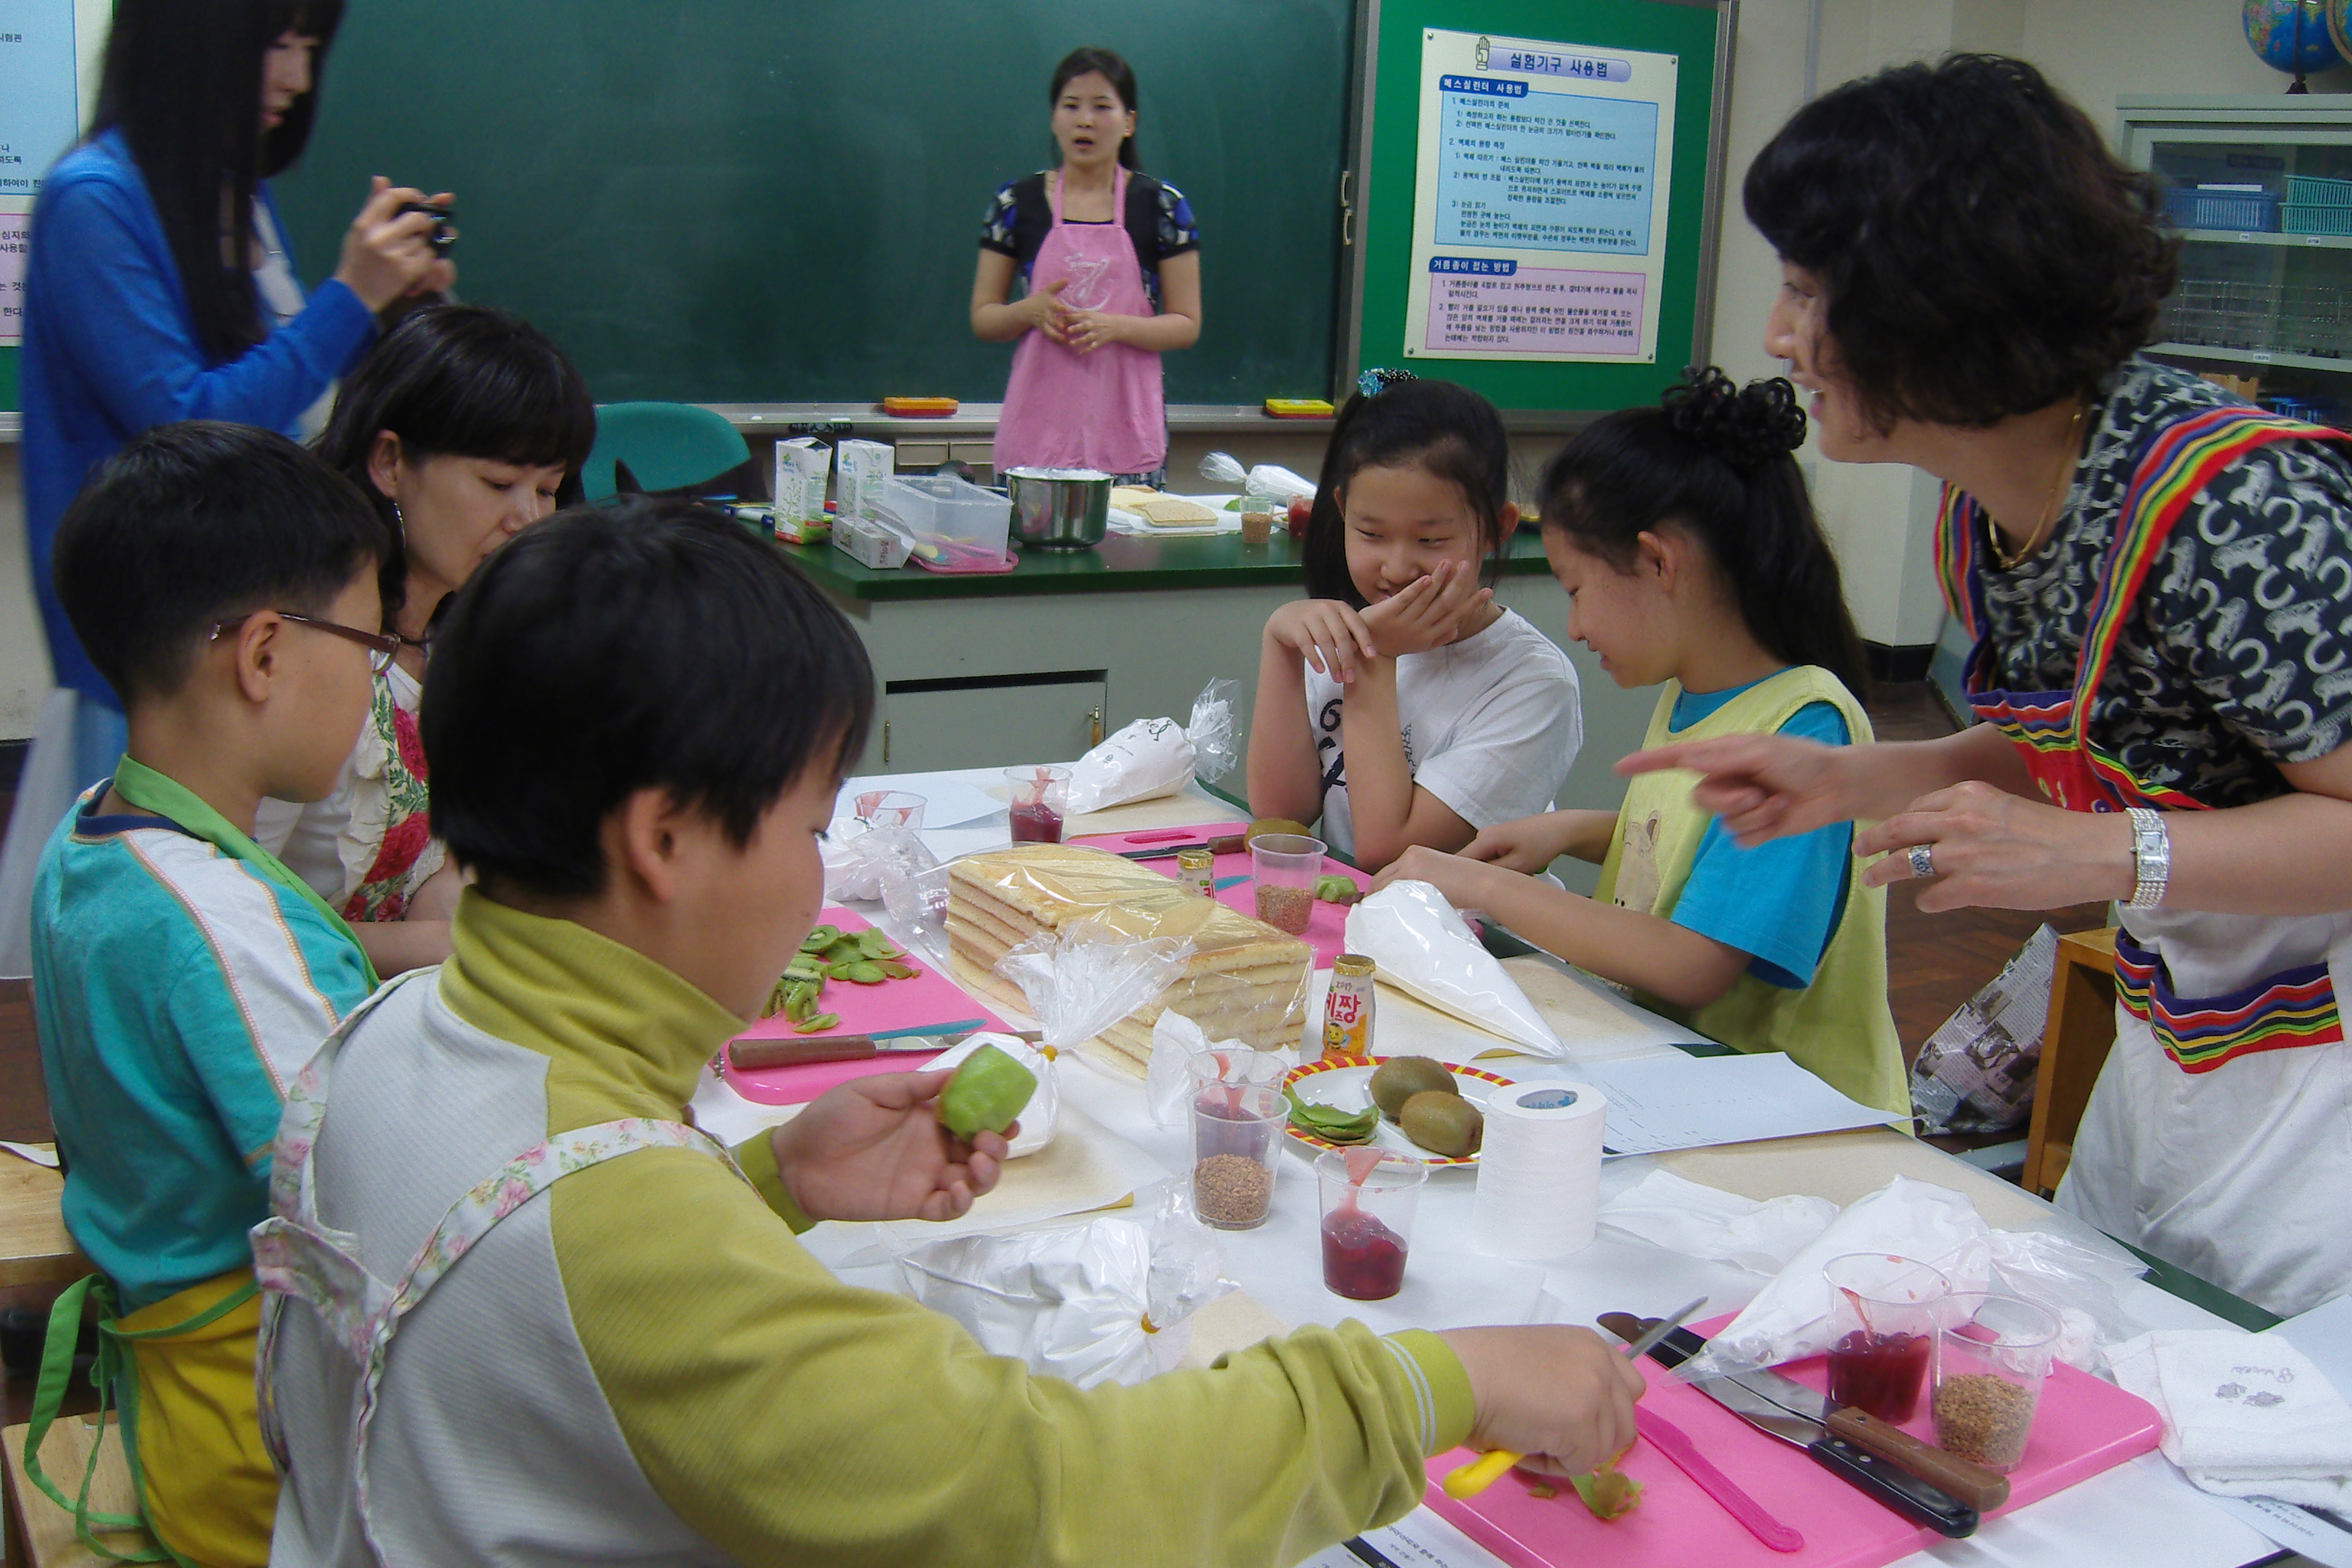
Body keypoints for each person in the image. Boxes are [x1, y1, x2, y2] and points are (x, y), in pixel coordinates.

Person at [256, 499, 1646, 1565]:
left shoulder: (395, 1032)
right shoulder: (620, 1230)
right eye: (809, 831)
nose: (815, 882)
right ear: (664, 837)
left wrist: (763, 1183)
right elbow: (1038, 1493)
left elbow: (536, 1317)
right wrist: (1430, 1381)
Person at [1629, 55, 2352, 1317]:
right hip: (2187, 1039)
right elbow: (2081, 749)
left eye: (1804, 289)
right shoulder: (1986, 522)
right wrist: (1852, 778)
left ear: (1930, 298)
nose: (1773, 334)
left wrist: (2104, 857)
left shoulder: (2232, 509)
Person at [0, 0, 450, 979]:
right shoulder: (96, 200)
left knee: (236, 912)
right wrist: (349, 299)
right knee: (160, 932)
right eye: (275, 46)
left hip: (248, 615)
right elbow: (187, 423)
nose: (295, 81)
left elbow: (279, 392)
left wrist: (378, 319)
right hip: (160, 634)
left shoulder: (219, 195)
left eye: (308, 50)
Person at [24, 422, 394, 1566]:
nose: (377, 681)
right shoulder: (221, 930)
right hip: (265, 1461)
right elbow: (378, 1212)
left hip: (190, 1394)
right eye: (372, 648)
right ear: (268, 655)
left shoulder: (91, 838)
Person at [1368, 369, 1907, 1116]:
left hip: (1798, 1124)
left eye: (1576, 588)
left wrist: (1487, 888)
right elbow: (1700, 845)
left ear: (1658, 561)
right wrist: (1580, 831)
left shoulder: (1807, 727)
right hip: (1682, 1088)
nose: (1577, 627)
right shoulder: (1693, 692)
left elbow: (1695, 961)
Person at [250, 304, 594, 977]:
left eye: (547, 489)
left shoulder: (461, 631)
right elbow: (236, 922)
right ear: (390, 463)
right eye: (498, 483)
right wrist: (455, 948)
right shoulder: (309, 649)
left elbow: (448, 854)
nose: (526, 519)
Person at [1247, 372, 1581, 872]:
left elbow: (1389, 854)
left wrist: (1377, 658)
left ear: (1496, 529)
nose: (1398, 567)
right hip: (1359, 933)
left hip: (1476, 941)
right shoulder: (1355, 629)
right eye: (1371, 533)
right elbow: (1281, 815)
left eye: (1430, 541)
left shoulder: (1533, 683)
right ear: (1342, 512)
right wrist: (1281, 645)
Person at [971, 46, 1200, 485]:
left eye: (1102, 107)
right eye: (1071, 106)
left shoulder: (1163, 207)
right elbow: (985, 318)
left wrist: (1114, 327)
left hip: (1126, 435)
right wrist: (1028, 311)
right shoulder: (1015, 204)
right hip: (1036, 440)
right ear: (1054, 117)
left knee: (1128, 553)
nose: (1086, 121)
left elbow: (1186, 324)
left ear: (1129, 122)